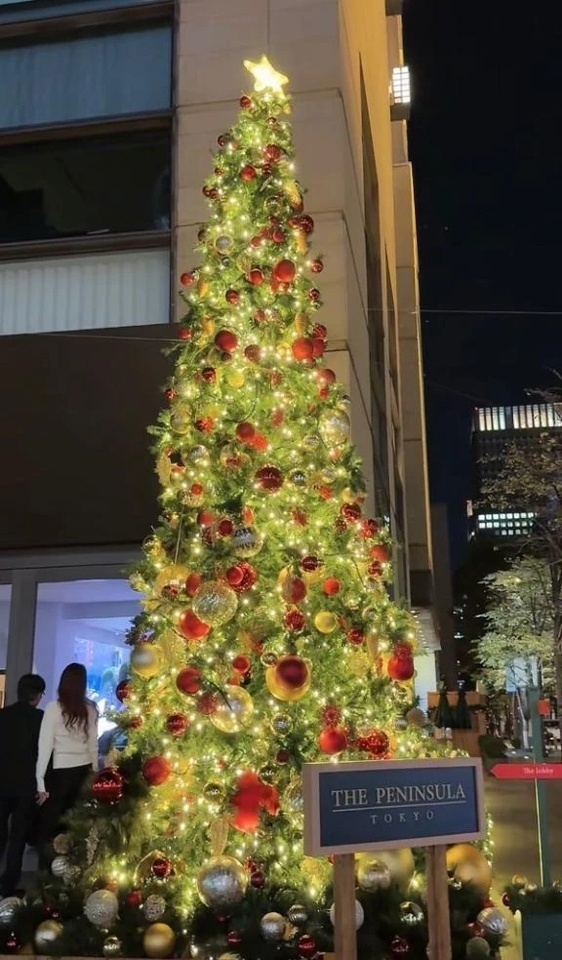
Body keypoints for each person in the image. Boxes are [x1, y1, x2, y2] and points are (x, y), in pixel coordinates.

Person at [36, 663, 98, 865]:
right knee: (76, 825)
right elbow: (93, 745)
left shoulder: (53, 708)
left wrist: (40, 781)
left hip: (60, 771)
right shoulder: (90, 709)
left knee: (50, 825)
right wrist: (94, 774)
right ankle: (70, 875)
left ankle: (47, 873)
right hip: (83, 771)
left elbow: (44, 746)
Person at [0, 673, 46, 896]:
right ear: (37, 696)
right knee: (18, 837)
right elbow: (44, 755)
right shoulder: (41, 719)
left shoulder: (3, 715)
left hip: (2, 783)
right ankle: (8, 886)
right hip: (26, 786)